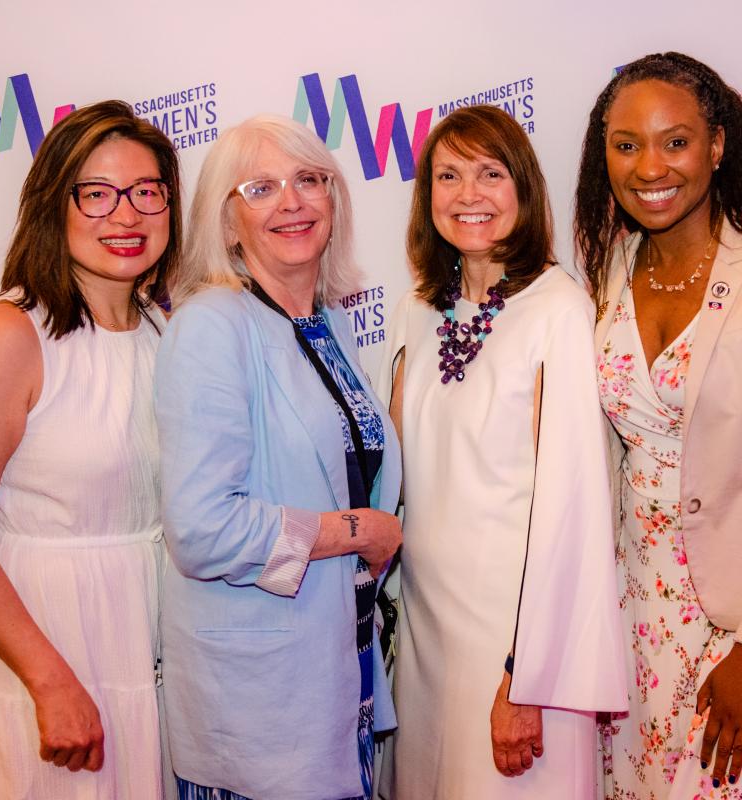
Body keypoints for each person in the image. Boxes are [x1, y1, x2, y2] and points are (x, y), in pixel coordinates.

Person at [378, 105, 626, 800]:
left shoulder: (559, 311)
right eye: (448, 175)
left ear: (523, 186)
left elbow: (572, 512)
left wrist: (527, 676)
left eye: (490, 173)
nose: (468, 195)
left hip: (518, 653)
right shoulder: (415, 309)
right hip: (425, 644)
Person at [154, 114, 402, 800]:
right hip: (258, 708)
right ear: (228, 221)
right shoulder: (211, 326)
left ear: (335, 199)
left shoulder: (330, 325)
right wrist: (354, 531)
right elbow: (201, 530)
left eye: (308, 181)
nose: (291, 202)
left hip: (339, 672)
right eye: (260, 188)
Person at [0, 100, 182, 799]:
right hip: (44, 663)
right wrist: (50, 682)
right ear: (56, 205)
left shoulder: (164, 334)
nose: (127, 215)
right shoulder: (10, 333)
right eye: (98, 194)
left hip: (146, 653)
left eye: (146, 192)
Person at [575, 51, 742, 798]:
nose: (650, 167)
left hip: (727, 620)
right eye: (626, 144)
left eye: (675, 141)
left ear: (716, 144)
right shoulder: (608, 267)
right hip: (628, 617)